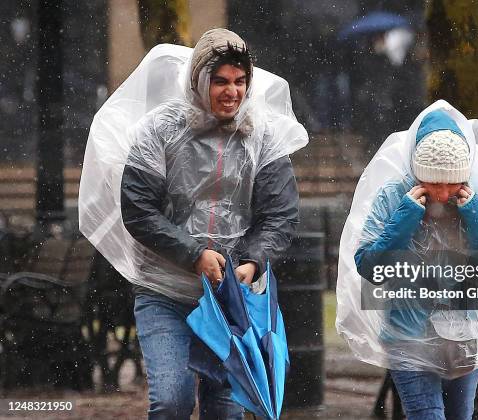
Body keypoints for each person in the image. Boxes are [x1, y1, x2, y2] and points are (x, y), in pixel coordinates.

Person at [79, 28, 308, 419]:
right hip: (165, 292)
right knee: (172, 400)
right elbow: (139, 210)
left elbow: (280, 214)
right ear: (198, 79)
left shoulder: (263, 134)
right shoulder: (160, 129)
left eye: (240, 81)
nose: (231, 92)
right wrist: (194, 255)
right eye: (220, 80)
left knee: (226, 408)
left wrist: (251, 261)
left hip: (229, 298)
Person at [335, 101, 478, 420]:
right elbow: (370, 266)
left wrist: (475, 215)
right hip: (409, 337)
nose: (443, 194)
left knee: (460, 415)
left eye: (451, 182)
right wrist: (406, 216)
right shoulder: (394, 196)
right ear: (416, 172)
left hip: (465, 337)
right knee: (426, 415)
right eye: (433, 182)